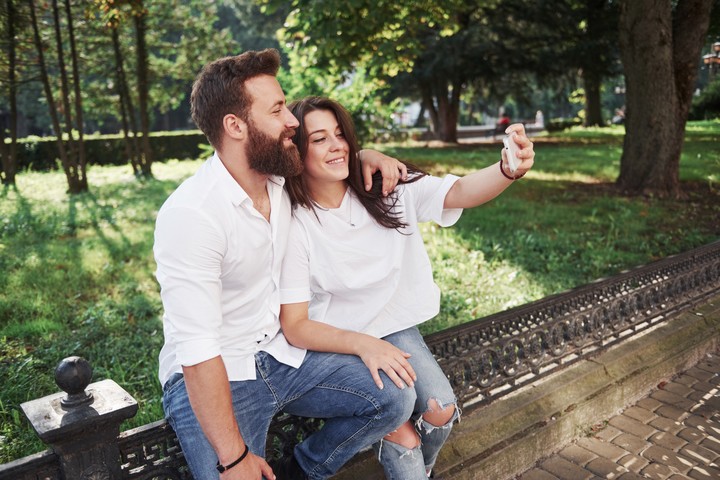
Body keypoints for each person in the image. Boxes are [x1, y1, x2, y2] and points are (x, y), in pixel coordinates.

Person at [154, 49, 416, 480]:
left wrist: (366, 155)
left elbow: (331, 159)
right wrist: (234, 459)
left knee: (393, 398)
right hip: (219, 372)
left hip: (283, 353)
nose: (292, 120)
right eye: (277, 109)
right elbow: (198, 352)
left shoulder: (280, 177)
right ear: (235, 126)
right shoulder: (192, 215)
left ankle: (301, 470)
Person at [279, 97, 534, 479]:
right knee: (404, 436)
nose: (337, 146)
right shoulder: (292, 219)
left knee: (440, 410)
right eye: (319, 139)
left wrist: (506, 169)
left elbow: (459, 191)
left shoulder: (385, 185)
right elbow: (297, 323)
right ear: (298, 151)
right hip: (333, 339)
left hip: (390, 325)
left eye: (340, 135)